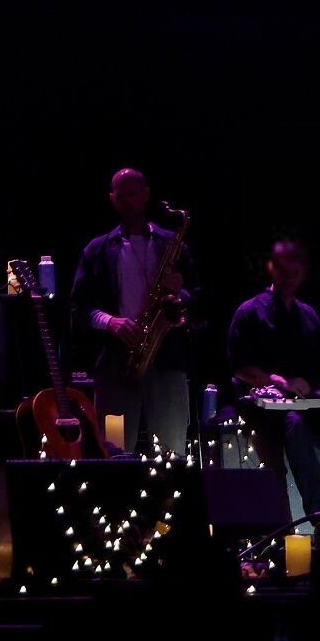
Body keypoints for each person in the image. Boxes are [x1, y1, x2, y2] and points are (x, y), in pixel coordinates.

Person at [227, 235, 320, 521]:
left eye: (294, 272)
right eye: (284, 271)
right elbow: (239, 366)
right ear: (271, 268)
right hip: (267, 411)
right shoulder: (249, 312)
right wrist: (276, 381)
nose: (289, 278)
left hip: (307, 404)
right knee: (294, 423)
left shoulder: (308, 314)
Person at [68, 167, 200, 459]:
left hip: (167, 360)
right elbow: (78, 307)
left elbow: (196, 300)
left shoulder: (173, 244)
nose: (128, 201)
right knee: (113, 454)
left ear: (146, 195)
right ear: (112, 199)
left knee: (172, 454)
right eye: (121, 196)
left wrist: (180, 294)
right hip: (117, 363)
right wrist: (111, 322)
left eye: (133, 194)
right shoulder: (97, 249)